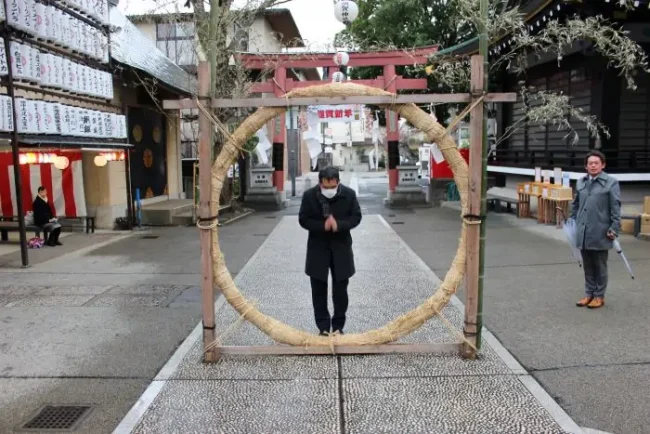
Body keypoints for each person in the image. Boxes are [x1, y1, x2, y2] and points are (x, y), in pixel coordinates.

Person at [299, 167, 362, 335]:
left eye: (332, 187)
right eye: (325, 187)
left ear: (338, 182)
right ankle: (324, 327)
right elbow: (303, 219)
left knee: (340, 289)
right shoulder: (309, 196)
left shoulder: (348, 195)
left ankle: (338, 325)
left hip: (341, 247)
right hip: (318, 248)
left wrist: (339, 225)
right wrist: (322, 226)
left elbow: (356, 217)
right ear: (320, 183)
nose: (329, 190)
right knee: (318, 289)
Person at [570, 150, 620, 309]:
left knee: (600, 265)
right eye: (590, 163)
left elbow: (616, 208)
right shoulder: (581, 182)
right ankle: (588, 293)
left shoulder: (611, 183)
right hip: (583, 231)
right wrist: (572, 222)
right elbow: (576, 204)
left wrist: (614, 227)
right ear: (586, 166)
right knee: (588, 264)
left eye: (596, 163)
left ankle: (599, 295)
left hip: (601, 230)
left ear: (602, 165)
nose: (593, 165)